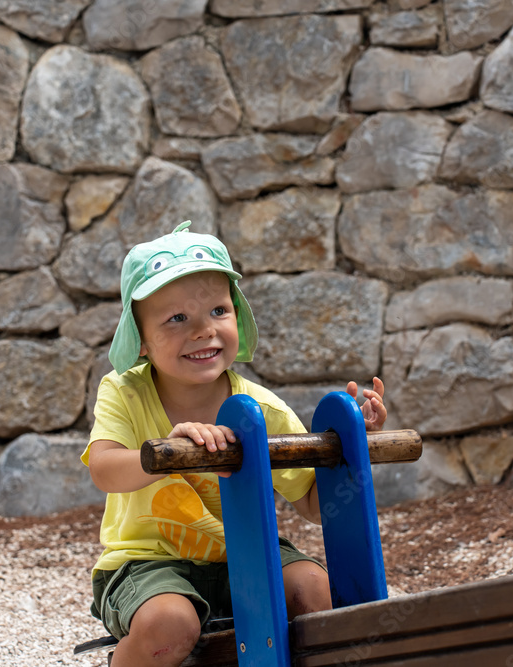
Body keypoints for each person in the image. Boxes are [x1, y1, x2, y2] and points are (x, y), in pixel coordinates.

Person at [83, 220, 386, 666]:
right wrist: (165, 452)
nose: (204, 330)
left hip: (248, 548)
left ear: (238, 319)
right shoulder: (125, 391)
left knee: (314, 590)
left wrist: (355, 450)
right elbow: (103, 470)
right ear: (141, 340)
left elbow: (316, 505)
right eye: (177, 318)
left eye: (219, 312)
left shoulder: (261, 408)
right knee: (170, 624)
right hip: (148, 562)